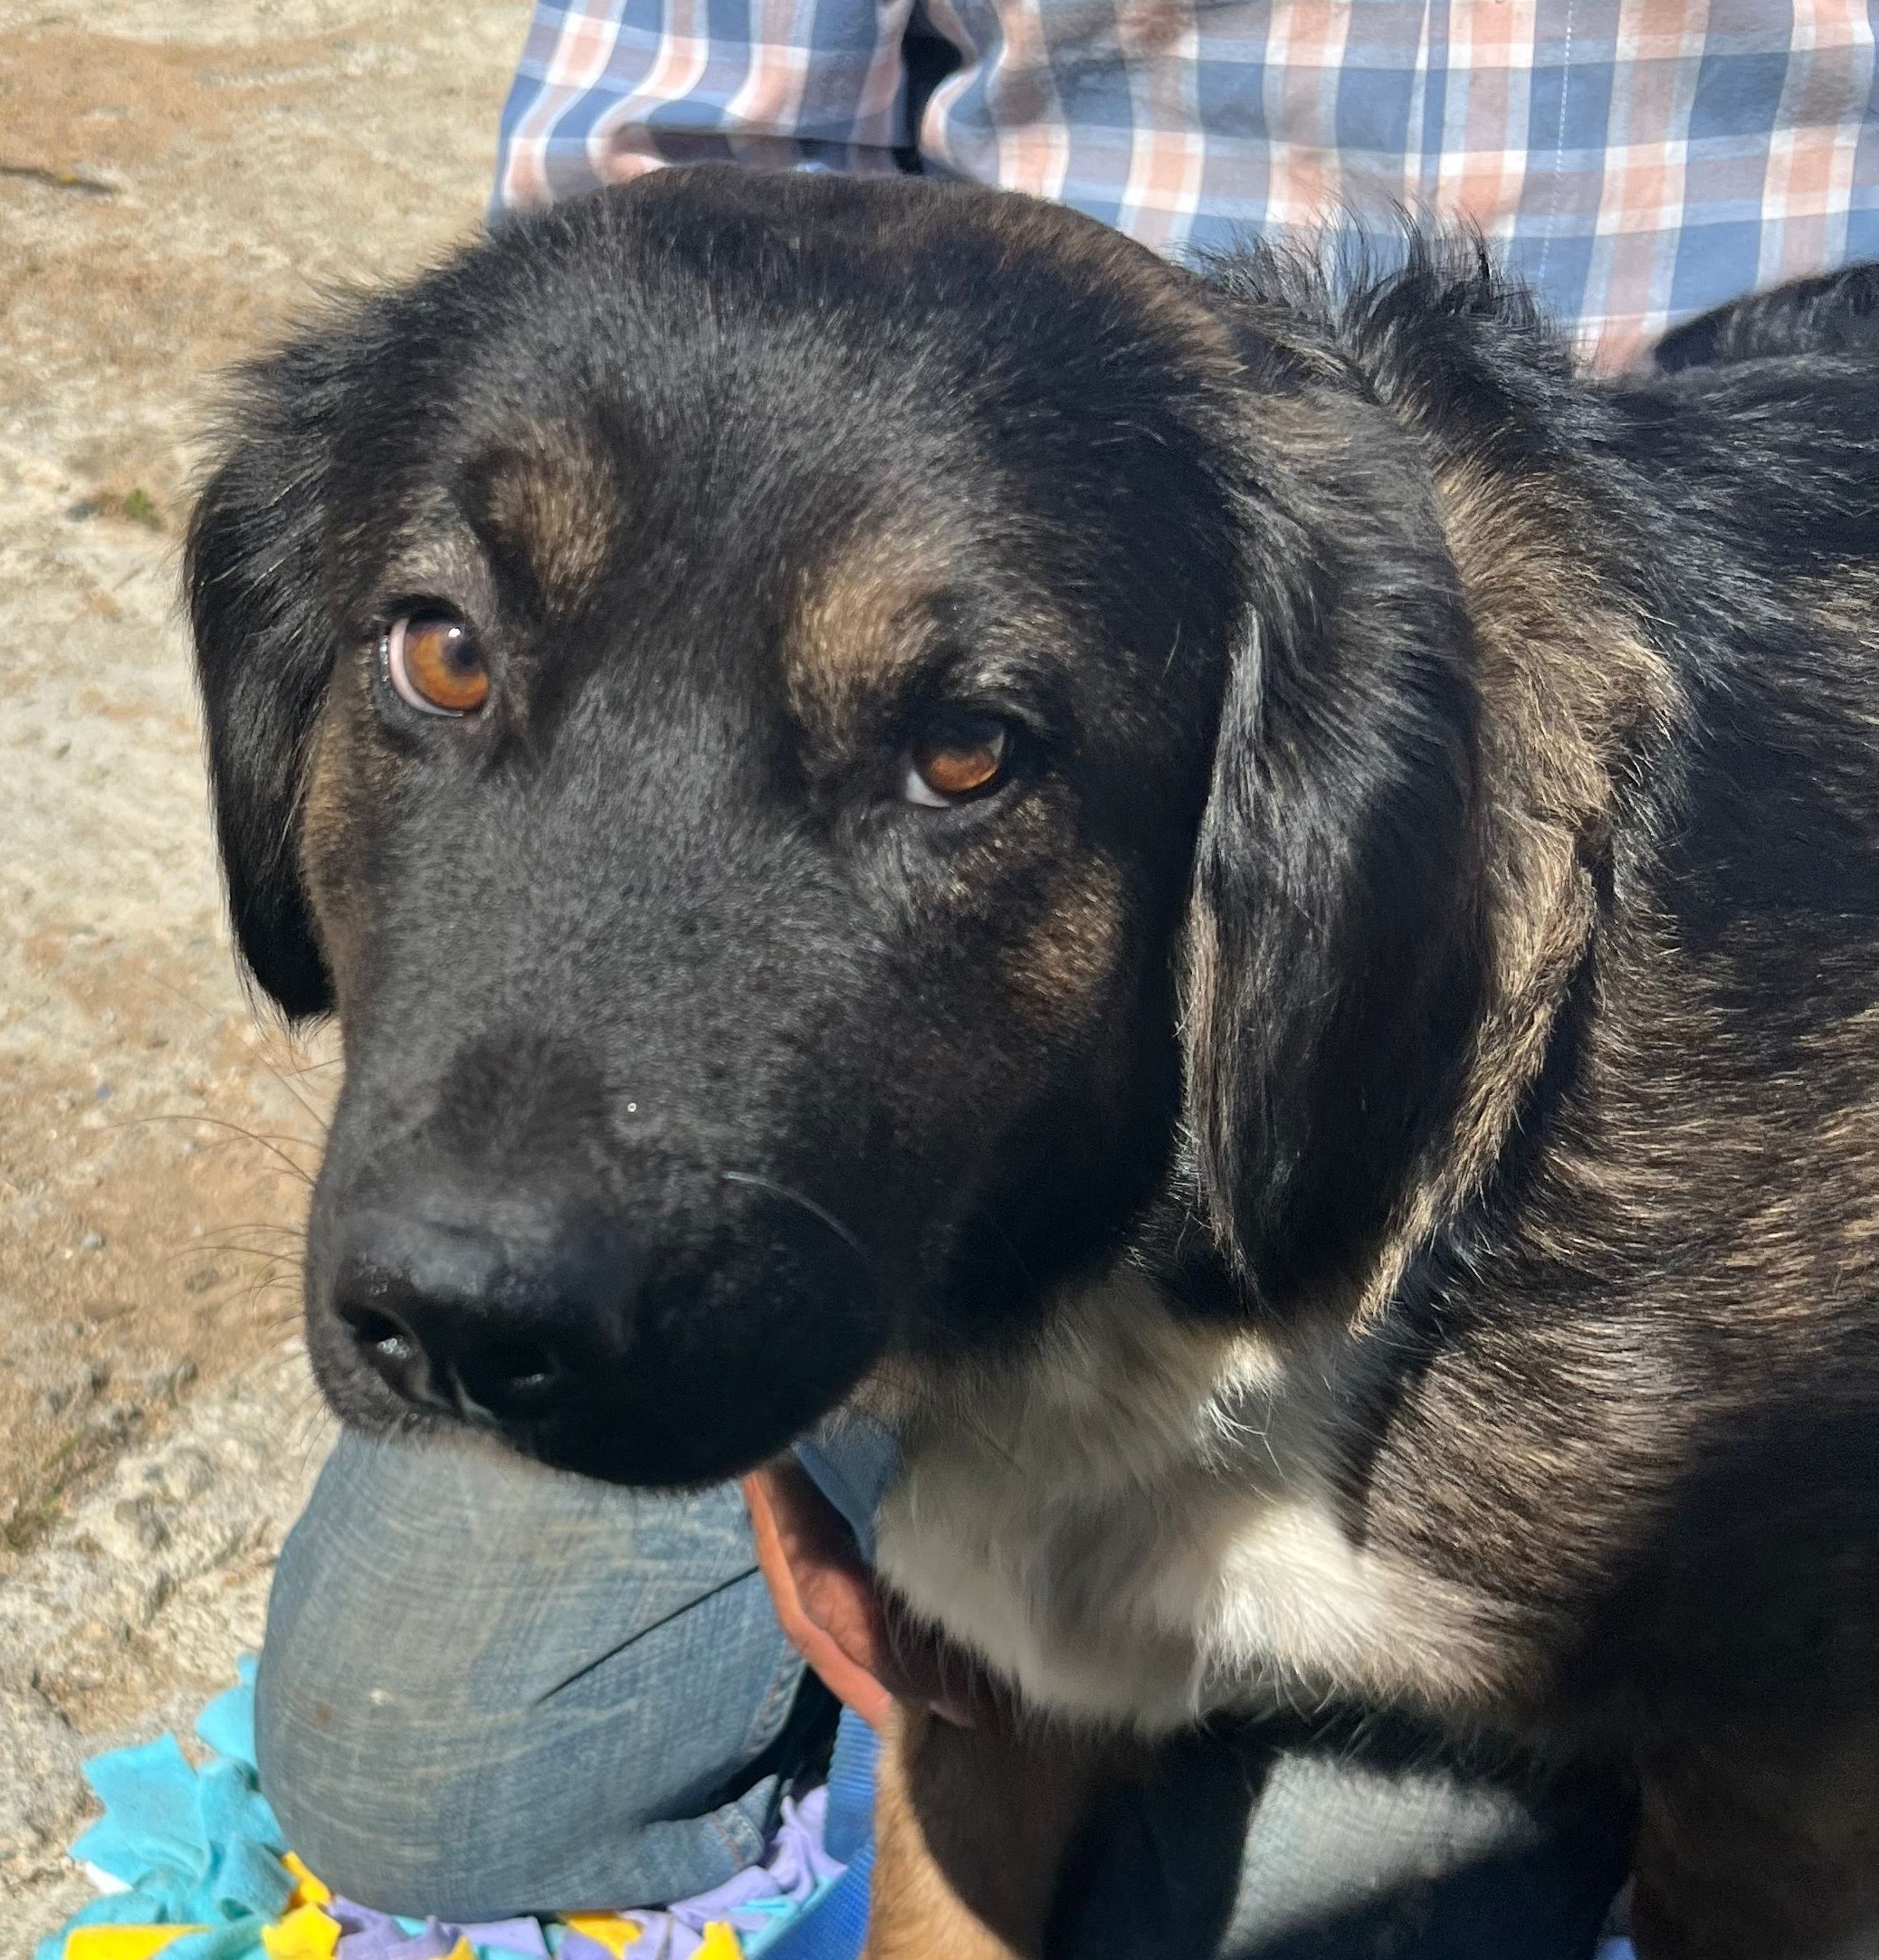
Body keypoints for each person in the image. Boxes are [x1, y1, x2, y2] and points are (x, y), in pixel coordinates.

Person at [256, 5, 1879, 1952]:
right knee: (425, 1752)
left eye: (949, 758)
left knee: (1329, 1889)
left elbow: (1814, 1660)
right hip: (983, 438)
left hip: (1312, 631)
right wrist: (809, 1389)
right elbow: (623, 239)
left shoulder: (1631, 1295)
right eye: (440, 656)